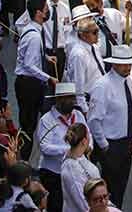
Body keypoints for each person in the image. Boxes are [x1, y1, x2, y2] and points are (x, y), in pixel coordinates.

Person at [87, 45, 132, 206]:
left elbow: (130, 112)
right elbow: (94, 120)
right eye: (123, 64)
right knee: (110, 189)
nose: (127, 67)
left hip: (126, 143)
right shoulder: (103, 86)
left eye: (129, 64)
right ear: (114, 64)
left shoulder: (128, 81)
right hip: (111, 145)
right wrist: (104, 145)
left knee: (121, 187)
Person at [15, 0, 57, 159]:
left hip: (28, 83)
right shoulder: (34, 36)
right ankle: (24, 159)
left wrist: (45, 57)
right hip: (29, 84)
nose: (48, 12)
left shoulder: (31, 30)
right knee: (28, 125)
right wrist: (49, 78)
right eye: (46, 9)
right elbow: (29, 65)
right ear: (39, 13)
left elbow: (30, 54)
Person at [36, 83, 86, 212]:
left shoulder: (78, 116)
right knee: (56, 206)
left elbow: (88, 134)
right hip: (53, 173)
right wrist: (70, 150)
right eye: (67, 98)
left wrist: (88, 146)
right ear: (58, 100)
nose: (71, 101)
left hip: (76, 170)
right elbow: (44, 147)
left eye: (72, 97)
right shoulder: (46, 120)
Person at [59, 123, 100, 212]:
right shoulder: (72, 169)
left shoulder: (79, 157)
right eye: (88, 135)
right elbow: (82, 202)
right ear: (84, 141)